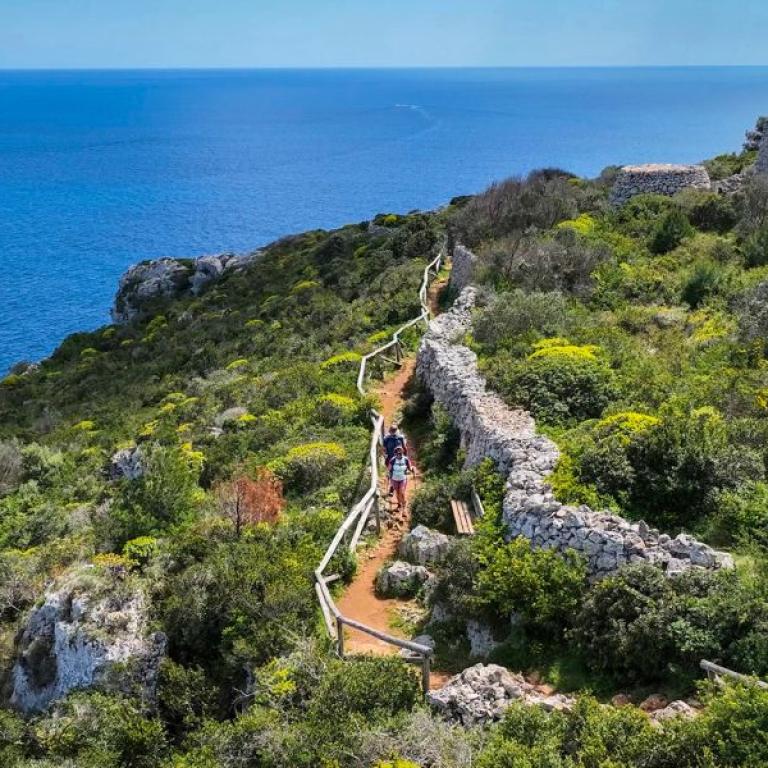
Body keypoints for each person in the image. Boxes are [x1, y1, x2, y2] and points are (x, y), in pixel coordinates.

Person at [387, 445, 416, 511]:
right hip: (394, 479)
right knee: (397, 493)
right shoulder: (393, 460)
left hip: (403, 479)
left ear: (402, 452)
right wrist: (388, 474)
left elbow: (409, 467)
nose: (399, 454)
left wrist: (412, 469)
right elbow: (389, 468)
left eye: (400, 452)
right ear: (395, 453)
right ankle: (399, 504)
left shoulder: (406, 459)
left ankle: (404, 507)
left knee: (402, 492)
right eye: (397, 452)